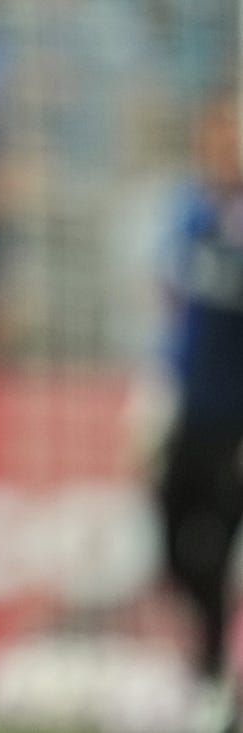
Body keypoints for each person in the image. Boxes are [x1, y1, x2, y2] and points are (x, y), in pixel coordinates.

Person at [154, 88, 243, 733]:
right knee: (168, 540)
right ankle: (206, 671)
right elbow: (176, 307)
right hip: (192, 408)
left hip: (237, 418)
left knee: (214, 550)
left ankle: (214, 678)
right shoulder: (193, 212)